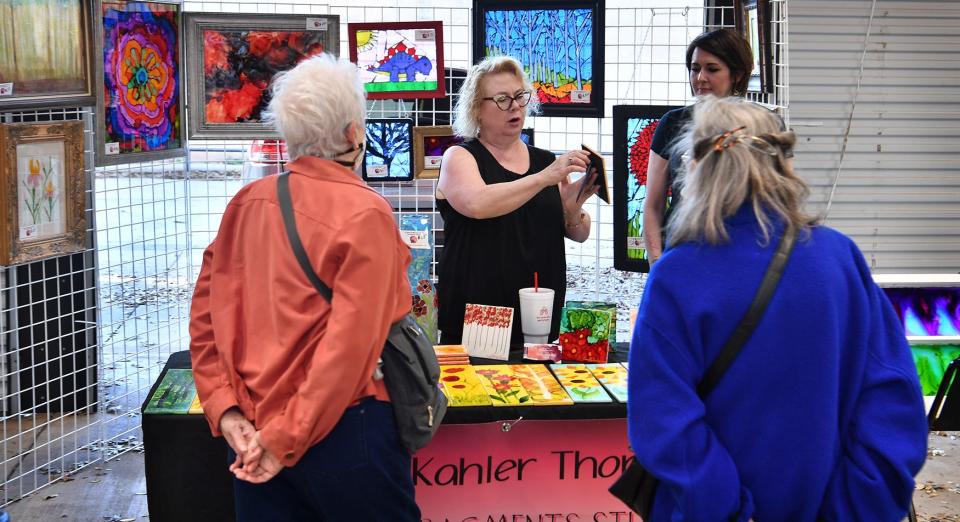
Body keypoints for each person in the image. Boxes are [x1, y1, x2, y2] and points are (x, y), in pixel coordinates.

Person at [626, 96, 928, 521]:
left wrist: (730, 511)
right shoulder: (839, 260)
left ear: (695, 170)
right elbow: (893, 406)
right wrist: (854, 509)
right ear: (782, 164)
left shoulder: (677, 277)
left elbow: (664, 425)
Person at [189, 54, 420, 521]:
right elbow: (348, 352)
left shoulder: (245, 204)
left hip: (255, 430)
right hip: (345, 432)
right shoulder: (366, 213)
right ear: (354, 133)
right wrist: (283, 440)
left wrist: (226, 409)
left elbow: (204, 321)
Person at [436, 56, 598, 345]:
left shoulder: (546, 162)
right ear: (477, 109)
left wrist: (573, 211)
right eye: (501, 99)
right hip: (481, 314)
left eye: (520, 96)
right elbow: (478, 204)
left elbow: (579, 234)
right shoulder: (459, 157)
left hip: (539, 311)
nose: (514, 106)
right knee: (478, 388)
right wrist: (544, 178)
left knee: (540, 387)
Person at [643, 28, 754, 264]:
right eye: (695, 69)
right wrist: (656, 264)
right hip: (683, 252)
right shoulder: (673, 123)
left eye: (712, 69)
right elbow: (653, 204)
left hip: (745, 255)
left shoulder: (764, 125)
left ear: (737, 74)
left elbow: (778, 202)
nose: (700, 78)